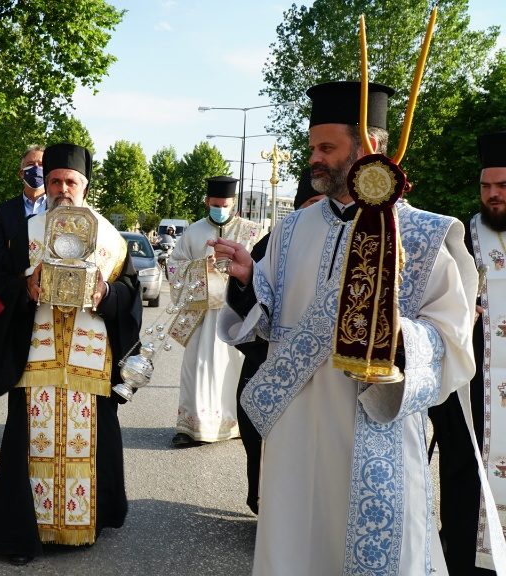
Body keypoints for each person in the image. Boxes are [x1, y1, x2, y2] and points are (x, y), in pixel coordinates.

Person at [213, 81, 477, 575]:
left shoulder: (422, 234)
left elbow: (452, 339)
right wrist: (250, 281)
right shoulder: (291, 231)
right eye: (312, 147)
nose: (314, 158)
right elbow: (266, 324)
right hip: (294, 433)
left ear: (368, 149)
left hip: (375, 430)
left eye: (326, 148)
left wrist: (395, 341)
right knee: (296, 550)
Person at [0, 142, 142, 565]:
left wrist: (105, 292)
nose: (62, 189)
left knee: (92, 444)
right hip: (36, 357)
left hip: (89, 360)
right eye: (54, 181)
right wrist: (26, 287)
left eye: (71, 181)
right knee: (28, 445)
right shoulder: (25, 233)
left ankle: (86, 523)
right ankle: (25, 530)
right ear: (45, 185)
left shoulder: (111, 239)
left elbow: (131, 296)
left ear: (84, 186)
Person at [428, 130, 506, 575]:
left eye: (503, 186)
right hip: (471, 398)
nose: (492, 195)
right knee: (463, 486)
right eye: (485, 186)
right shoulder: (458, 242)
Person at [233, 172, 325, 514]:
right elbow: (246, 306)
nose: (316, 213)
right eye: (310, 205)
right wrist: (245, 280)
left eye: (323, 205)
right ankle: (267, 508)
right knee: (261, 438)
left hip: (327, 375)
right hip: (268, 362)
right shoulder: (276, 241)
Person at [167, 176, 262, 447]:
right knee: (197, 368)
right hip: (202, 314)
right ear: (208, 202)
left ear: (233, 204)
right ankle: (191, 428)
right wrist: (201, 266)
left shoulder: (250, 232)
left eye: (225, 204)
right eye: (216, 204)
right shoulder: (193, 232)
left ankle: (235, 423)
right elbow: (173, 268)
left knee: (234, 368)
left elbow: (262, 269)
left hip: (237, 312)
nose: (220, 208)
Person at [0, 145, 45, 291]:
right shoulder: (4, 210)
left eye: (42, 165)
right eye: (30, 164)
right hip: (15, 291)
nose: (36, 168)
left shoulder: (58, 209)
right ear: (21, 173)